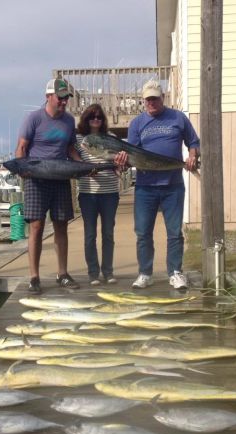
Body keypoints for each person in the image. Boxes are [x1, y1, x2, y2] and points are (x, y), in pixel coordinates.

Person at [116, 79, 200, 291]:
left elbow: (194, 142)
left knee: (174, 232)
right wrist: (123, 161)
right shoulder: (136, 124)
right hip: (145, 187)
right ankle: (145, 273)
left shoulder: (178, 118)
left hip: (173, 185)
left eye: (155, 98)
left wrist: (192, 156)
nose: (151, 102)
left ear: (162, 97)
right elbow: (132, 153)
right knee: (143, 232)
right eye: (148, 99)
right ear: (143, 101)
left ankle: (175, 272)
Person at [15, 78, 82, 294]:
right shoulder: (33, 118)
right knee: (36, 227)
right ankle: (34, 276)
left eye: (66, 98)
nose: (64, 102)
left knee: (61, 225)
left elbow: (71, 149)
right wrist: (23, 171)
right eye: (61, 98)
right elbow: (21, 149)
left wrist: (83, 165)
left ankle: (62, 273)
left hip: (60, 178)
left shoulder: (69, 121)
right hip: (36, 179)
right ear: (48, 97)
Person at [75, 104, 120, 286]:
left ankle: (108, 272)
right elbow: (72, 158)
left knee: (108, 233)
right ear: (86, 119)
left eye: (99, 117)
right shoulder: (78, 139)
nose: (96, 120)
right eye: (92, 117)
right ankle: (93, 273)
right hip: (87, 193)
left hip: (110, 193)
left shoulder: (112, 138)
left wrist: (121, 166)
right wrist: (84, 168)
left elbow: (120, 167)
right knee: (90, 235)